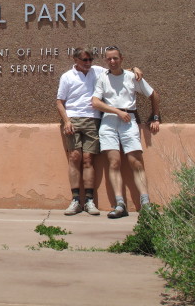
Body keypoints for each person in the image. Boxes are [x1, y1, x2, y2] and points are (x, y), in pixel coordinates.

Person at [56, 47, 142, 216]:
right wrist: (66, 121)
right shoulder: (67, 76)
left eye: (90, 60)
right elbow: (59, 101)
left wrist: (134, 69)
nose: (88, 63)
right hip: (73, 119)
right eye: (84, 60)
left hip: (94, 119)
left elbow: (116, 68)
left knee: (88, 159)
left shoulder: (97, 71)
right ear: (76, 61)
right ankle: (75, 200)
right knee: (75, 157)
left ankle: (89, 200)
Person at [91, 46, 161, 219]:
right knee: (113, 162)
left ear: (121, 58)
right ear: (106, 60)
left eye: (115, 58)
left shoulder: (132, 77)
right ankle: (120, 204)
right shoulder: (102, 78)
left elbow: (153, 95)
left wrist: (155, 116)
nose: (112, 61)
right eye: (109, 59)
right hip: (109, 121)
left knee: (135, 162)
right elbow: (95, 102)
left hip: (129, 121)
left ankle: (146, 204)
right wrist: (116, 112)